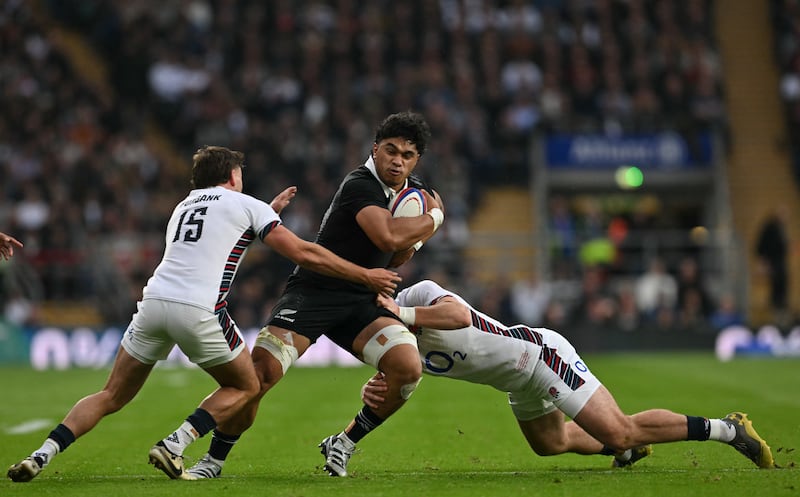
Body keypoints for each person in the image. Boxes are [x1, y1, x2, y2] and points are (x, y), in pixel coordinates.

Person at [7, 145, 401, 483]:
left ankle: (41, 454)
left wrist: (266, 211)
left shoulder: (184, 205)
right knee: (248, 386)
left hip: (153, 304)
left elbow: (218, 238)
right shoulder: (245, 204)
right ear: (232, 175)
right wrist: (365, 274)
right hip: (199, 310)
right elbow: (304, 253)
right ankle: (174, 443)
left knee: (111, 394)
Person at [185, 111, 445, 479]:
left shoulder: (410, 192)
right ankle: (212, 461)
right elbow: (387, 237)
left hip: (361, 301)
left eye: (407, 155)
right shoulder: (360, 183)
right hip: (314, 292)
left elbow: (397, 253)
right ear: (375, 149)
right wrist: (434, 221)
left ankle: (345, 442)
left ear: (417, 159)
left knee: (407, 369)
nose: (397, 160)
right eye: (391, 150)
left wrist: (417, 236)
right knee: (261, 375)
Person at [346, 279, 774, 473]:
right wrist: (381, 383)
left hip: (540, 355)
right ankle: (628, 453)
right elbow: (406, 376)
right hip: (516, 382)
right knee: (551, 444)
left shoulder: (416, 297)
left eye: (375, 302)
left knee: (621, 429)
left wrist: (399, 311)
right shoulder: (394, 342)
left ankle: (727, 429)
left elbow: (458, 315)